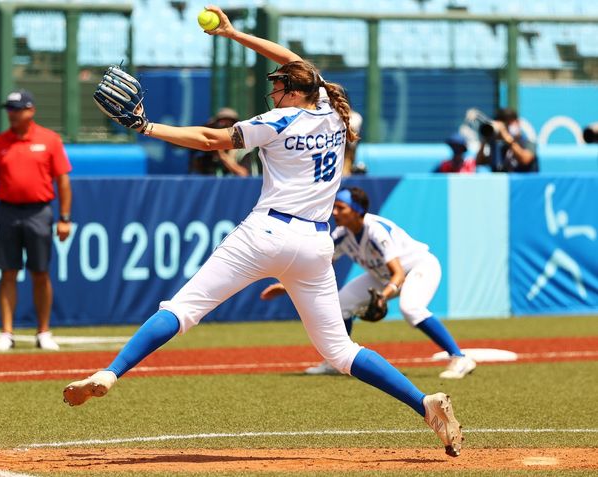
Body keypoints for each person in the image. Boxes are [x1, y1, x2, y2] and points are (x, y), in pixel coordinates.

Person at [65, 6, 464, 458]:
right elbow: (297, 62)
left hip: (266, 233)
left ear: (295, 93)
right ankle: (424, 404)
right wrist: (234, 34)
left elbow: (210, 140)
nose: (272, 90)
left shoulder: (279, 121)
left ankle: (111, 373)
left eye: (278, 85)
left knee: (183, 308)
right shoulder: (334, 112)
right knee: (340, 351)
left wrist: (145, 126)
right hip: (315, 244)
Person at [261, 186, 477, 379]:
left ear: (356, 210)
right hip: (382, 276)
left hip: (419, 267)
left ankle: (459, 357)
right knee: (342, 304)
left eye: (341, 207)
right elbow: (317, 264)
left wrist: (383, 297)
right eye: (334, 207)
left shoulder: (375, 230)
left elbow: (398, 273)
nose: (334, 212)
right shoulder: (342, 234)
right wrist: (285, 285)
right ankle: (335, 361)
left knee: (411, 308)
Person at [0, 89, 72, 352]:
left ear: (30, 111)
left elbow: (62, 181)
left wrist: (64, 217)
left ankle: (43, 332)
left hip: (40, 212)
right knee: (7, 273)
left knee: (40, 272)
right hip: (7, 211)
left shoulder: (50, 140)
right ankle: (7, 333)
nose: (11, 114)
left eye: (17, 109)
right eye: (9, 109)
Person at [188, 107, 250, 176]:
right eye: (222, 123)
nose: (225, 127)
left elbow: (243, 173)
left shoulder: (242, 151)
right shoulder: (207, 147)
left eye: (230, 123)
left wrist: (223, 156)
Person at [475, 108, 538, 172]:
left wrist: (506, 137)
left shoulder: (528, 141)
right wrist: (485, 140)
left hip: (526, 181)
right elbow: (479, 162)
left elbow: (525, 160)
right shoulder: (497, 145)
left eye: (507, 124)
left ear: (517, 122)